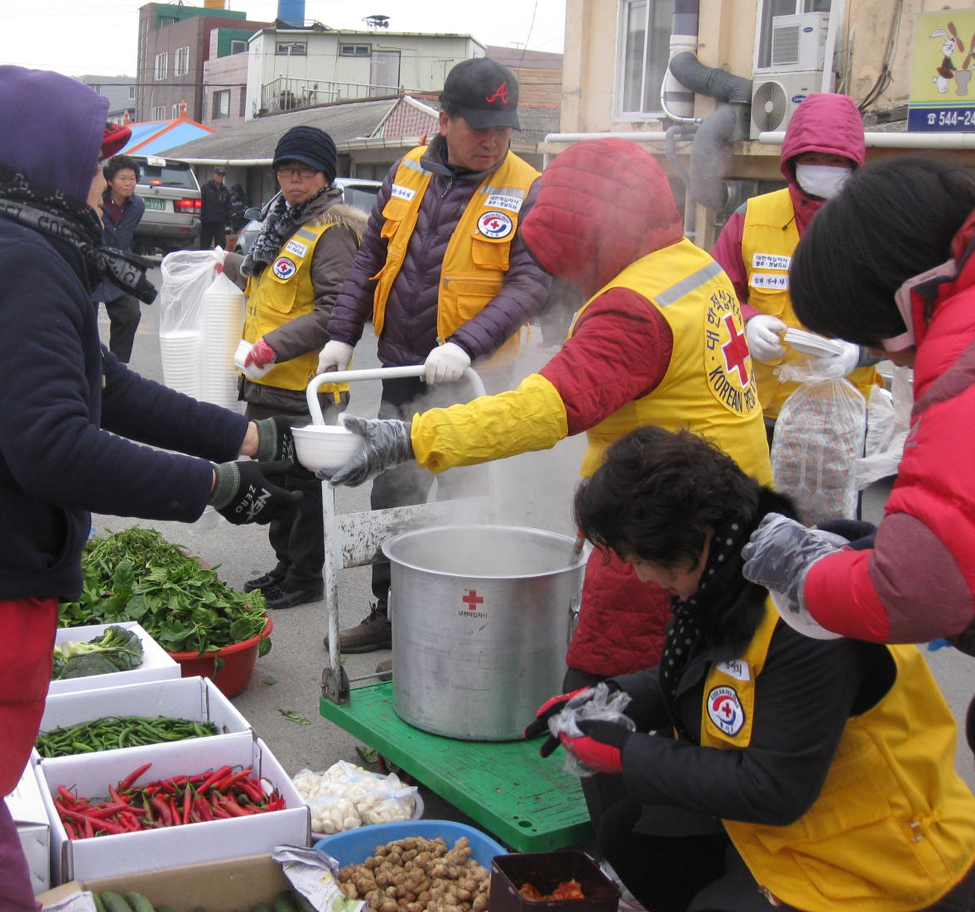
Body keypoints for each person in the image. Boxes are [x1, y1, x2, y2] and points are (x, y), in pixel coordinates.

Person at [0, 65, 301, 912]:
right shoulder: (17, 262)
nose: (105, 181)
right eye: (95, 162)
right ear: (50, 164)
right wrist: (215, 487)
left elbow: (108, 386)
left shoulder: (5, 245)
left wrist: (254, 439)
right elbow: (53, 447)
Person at [322, 138, 772, 700]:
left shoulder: (634, 308)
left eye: (572, 261)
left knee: (610, 683)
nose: (570, 281)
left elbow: (542, 409)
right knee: (705, 672)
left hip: (668, 527)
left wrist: (409, 436)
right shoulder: (693, 265)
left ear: (595, 238)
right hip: (735, 503)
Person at [525, 425, 975, 912]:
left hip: (879, 859)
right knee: (631, 832)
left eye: (641, 560)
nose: (641, 576)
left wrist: (628, 753)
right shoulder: (729, 573)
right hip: (794, 829)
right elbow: (705, 674)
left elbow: (773, 789)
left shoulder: (807, 615)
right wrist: (607, 698)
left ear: (690, 535)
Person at [316, 56, 551, 652]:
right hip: (402, 369)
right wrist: (342, 334)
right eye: (480, 128)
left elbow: (530, 283)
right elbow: (371, 257)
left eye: (504, 129)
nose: (493, 141)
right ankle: (389, 613)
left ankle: (457, 623)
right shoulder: (407, 170)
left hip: (474, 378)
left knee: (465, 500)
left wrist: (466, 345)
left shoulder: (527, 187)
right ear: (444, 121)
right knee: (391, 493)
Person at [741, 154, 975, 754]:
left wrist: (806, 575)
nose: (890, 358)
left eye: (869, 340)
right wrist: (885, 547)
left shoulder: (961, 365)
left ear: (893, 305)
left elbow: (913, 591)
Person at [223, 126, 367, 609]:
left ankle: (305, 577)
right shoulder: (282, 222)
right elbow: (270, 286)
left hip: (306, 386)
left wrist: (272, 347)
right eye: (286, 171)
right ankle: (285, 566)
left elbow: (337, 309)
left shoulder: (334, 230)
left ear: (325, 175)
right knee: (276, 482)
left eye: (305, 171)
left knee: (305, 489)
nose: (294, 180)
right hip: (267, 383)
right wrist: (228, 264)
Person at [710, 93, 883, 427]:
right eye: (813, 158)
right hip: (759, 410)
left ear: (854, 163)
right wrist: (747, 323)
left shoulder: (879, 224)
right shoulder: (750, 217)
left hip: (844, 414)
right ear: (793, 160)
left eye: (835, 161)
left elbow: (906, 313)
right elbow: (714, 296)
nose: (823, 168)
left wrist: (858, 352)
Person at [92, 154, 145, 362]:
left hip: (120, 265)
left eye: (132, 179)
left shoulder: (137, 205)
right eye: (122, 178)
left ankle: (118, 364)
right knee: (84, 317)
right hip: (93, 262)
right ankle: (88, 361)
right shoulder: (97, 201)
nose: (128, 183)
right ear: (110, 181)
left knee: (130, 313)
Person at [200, 164, 231, 250]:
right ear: (214, 175)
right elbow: (201, 204)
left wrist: (228, 221)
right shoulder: (205, 188)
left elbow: (228, 206)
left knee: (220, 247)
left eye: (222, 176)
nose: (220, 177)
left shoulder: (225, 191)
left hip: (220, 223)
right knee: (204, 246)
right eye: (218, 175)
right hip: (207, 222)